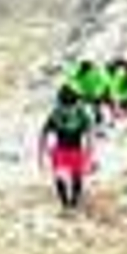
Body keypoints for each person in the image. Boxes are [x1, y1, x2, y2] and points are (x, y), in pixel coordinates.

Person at [39, 83, 94, 211]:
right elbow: (90, 134)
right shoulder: (81, 113)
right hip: (76, 149)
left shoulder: (56, 113)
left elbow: (44, 133)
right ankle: (73, 203)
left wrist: (42, 154)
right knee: (76, 176)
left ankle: (65, 204)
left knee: (60, 176)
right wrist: (90, 154)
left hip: (60, 150)